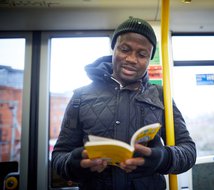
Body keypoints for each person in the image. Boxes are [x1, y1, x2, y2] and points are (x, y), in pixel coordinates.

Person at [52, 17, 196, 190]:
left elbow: (188, 152)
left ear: (149, 59)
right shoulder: (80, 96)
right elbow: (59, 157)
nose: (132, 59)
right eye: (125, 49)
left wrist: (161, 159)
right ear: (114, 48)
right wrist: (74, 163)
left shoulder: (161, 95)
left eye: (142, 55)